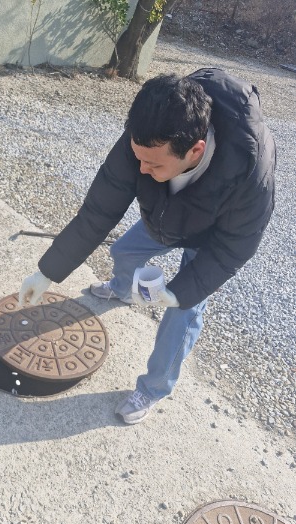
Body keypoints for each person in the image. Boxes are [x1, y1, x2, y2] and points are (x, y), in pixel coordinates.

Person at [18, 68, 276, 425]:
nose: (140, 169)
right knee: (123, 252)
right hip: (166, 218)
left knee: (183, 314)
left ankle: (153, 388)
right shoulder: (146, 136)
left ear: (195, 150)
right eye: (137, 157)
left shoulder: (251, 169)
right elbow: (98, 212)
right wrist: (46, 272)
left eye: (152, 164)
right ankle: (123, 290)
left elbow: (234, 248)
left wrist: (178, 293)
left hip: (211, 238)